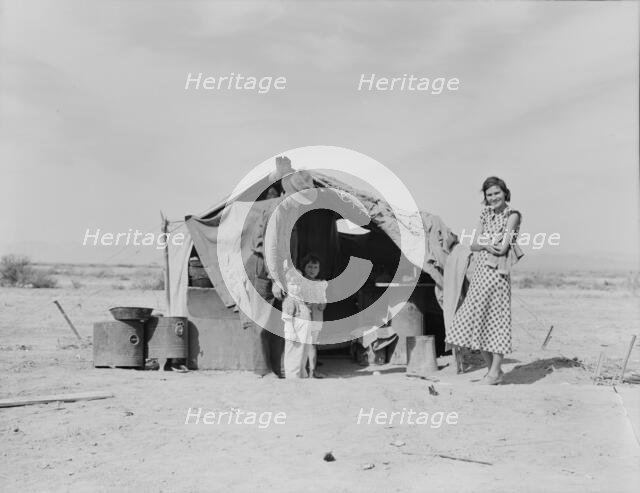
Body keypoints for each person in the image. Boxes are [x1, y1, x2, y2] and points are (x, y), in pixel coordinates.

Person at [445, 176, 522, 385]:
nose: (494, 197)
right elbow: (474, 244)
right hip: (480, 274)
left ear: (505, 192)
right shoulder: (485, 214)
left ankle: (495, 372)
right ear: (485, 198)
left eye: (497, 193)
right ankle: (492, 372)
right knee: (473, 320)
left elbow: (503, 247)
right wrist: (487, 244)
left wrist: (485, 244)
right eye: (489, 195)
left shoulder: (512, 215)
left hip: (498, 275)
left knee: (497, 322)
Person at [281, 269, 313, 378]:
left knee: (302, 353)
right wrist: (291, 332)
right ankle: (292, 376)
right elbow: (287, 318)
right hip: (294, 332)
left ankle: (301, 373)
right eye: (292, 284)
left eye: (298, 284)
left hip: (303, 333)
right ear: (286, 285)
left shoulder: (301, 299)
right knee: (293, 354)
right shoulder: (290, 300)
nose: (296, 287)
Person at [299, 253, 327, 379]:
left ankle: (312, 370)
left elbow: (323, 304)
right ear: (304, 268)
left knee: (313, 344)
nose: (312, 270)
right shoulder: (300, 282)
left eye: (315, 267)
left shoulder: (321, 284)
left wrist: (320, 303)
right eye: (309, 267)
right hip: (303, 316)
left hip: (316, 317)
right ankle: (301, 370)